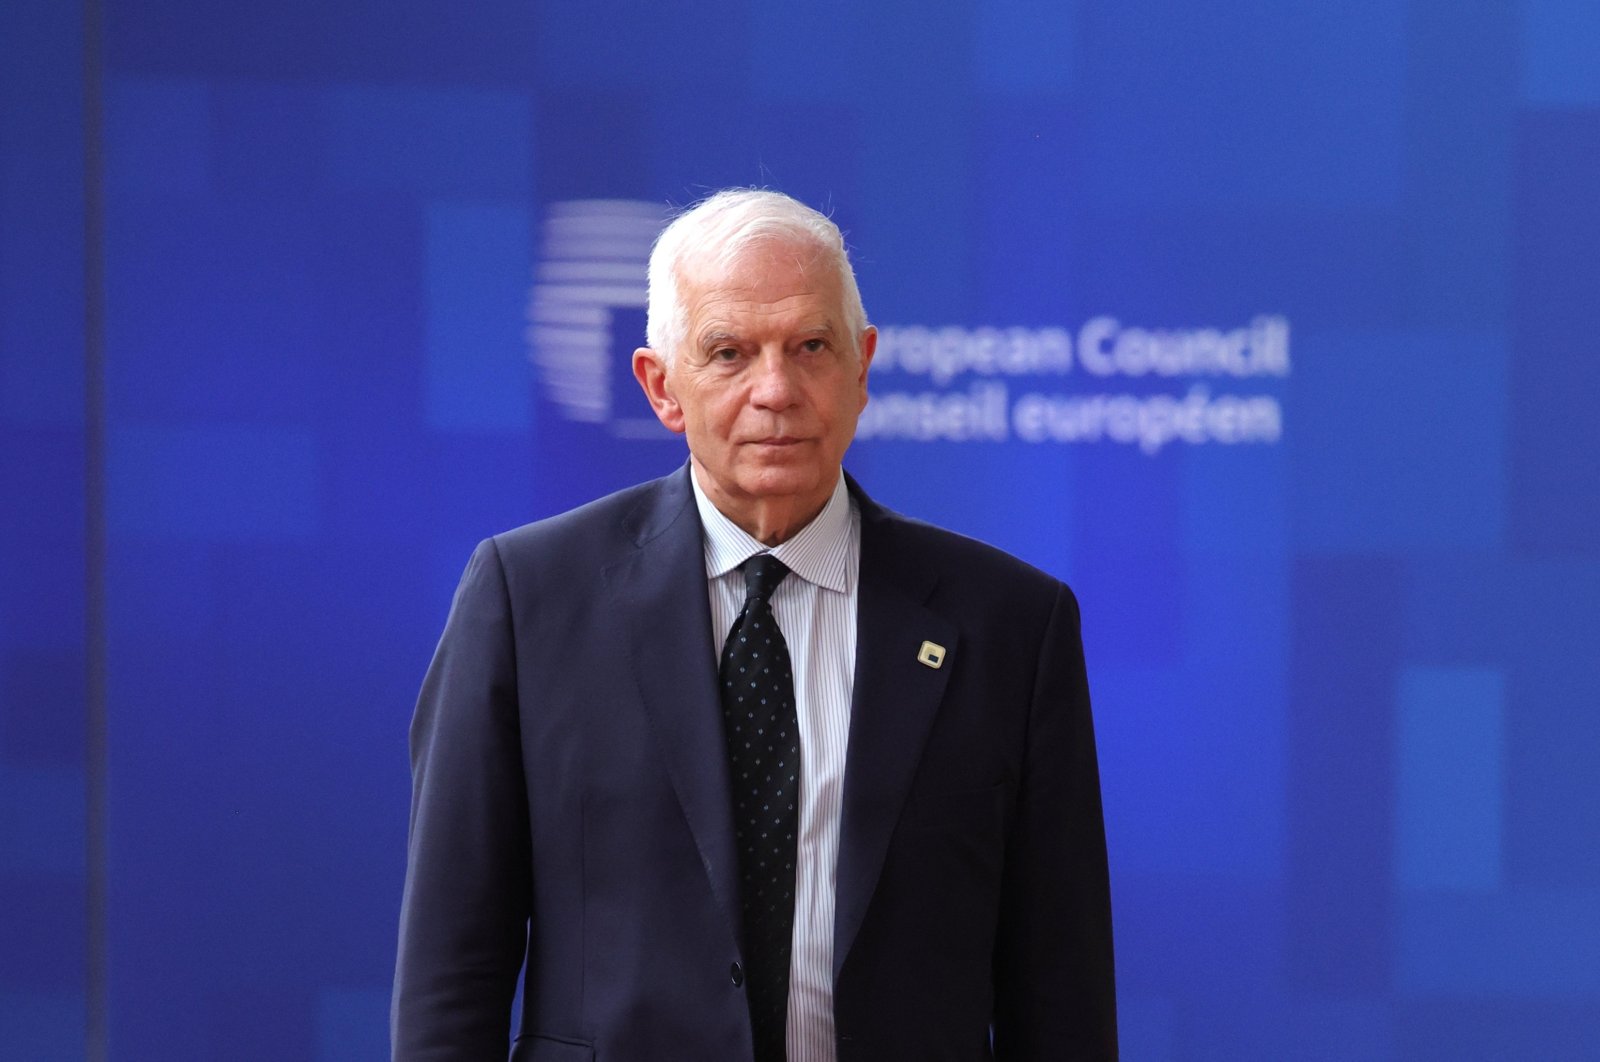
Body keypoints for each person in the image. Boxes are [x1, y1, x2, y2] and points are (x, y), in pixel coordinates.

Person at [392, 189, 1117, 1061]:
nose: (775, 390)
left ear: (862, 367)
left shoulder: (1011, 626)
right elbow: (451, 969)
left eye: (811, 347)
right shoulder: (528, 598)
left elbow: (1061, 994)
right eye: (729, 353)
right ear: (662, 386)